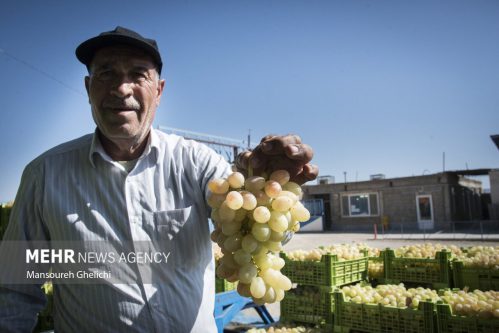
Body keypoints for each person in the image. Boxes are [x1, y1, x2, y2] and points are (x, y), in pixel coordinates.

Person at [0, 26, 318, 333]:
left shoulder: (196, 162)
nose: (122, 88)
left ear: (159, 90)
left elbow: (260, 234)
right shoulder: (44, 175)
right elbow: (14, 289)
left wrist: (265, 190)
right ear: (88, 88)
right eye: (106, 73)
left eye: (138, 74)